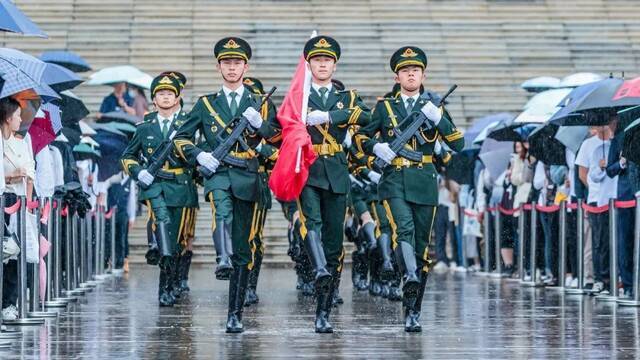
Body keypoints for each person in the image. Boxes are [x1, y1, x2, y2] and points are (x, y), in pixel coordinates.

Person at [172, 37, 280, 333]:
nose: (232, 68)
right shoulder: (206, 103)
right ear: (219, 66)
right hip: (219, 172)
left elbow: (277, 138)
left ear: (246, 66)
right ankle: (221, 256)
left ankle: (235, 313)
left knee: (244, 249)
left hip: (248, 173)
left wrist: (261, 125)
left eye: (237, 63)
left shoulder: (259, 103)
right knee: (221, 209)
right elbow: (181, 138)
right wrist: (199, 154)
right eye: (226, 63)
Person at [356, 46, 464, 332]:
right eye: (405, 70)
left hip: (424, 181)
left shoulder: (434, 106)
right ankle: (411, 276)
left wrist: (438, 118)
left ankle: (412, 310)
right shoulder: (385, 107)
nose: (411, 74)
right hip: (393, 181)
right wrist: (375, 147)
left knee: (419, 249)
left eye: (415, 70)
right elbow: (360, 138)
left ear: (423, 74)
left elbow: (458, 144)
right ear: (397, 76)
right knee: (403, 230)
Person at [295, 35, 371, 333]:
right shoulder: (298, 96)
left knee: (334, 241)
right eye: (317, 60)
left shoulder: (346, 97)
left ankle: (324, 310)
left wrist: (329, 115)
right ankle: (319, 271)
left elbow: (366, 117)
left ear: (334, 65)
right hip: (309, 171)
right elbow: (281, 125)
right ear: (309, 64)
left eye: (327, 60)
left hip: (337, 172)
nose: (322, 64)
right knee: (311, 224)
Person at [121, 74, 199, 306]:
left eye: (169, 94)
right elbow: (128, 156)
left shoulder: (187, 123)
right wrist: (138, 172)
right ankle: (163, 289)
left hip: (181, 187)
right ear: (153, 99)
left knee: (176, 242)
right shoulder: (145, 127)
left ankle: (174, 281)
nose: (165, 97)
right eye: (160, 94)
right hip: (155, 187)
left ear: (177, 98)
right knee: (162, 230)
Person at [1, 97, 35, 320]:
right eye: (17, 116)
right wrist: (11, 176)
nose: (20, 120)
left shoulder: (22, 142)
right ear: (7, 117)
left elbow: (30, 173)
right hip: (3, 196)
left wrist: (29, 206)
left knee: (14, 253)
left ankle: (9, 303)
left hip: (18, 200)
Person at [575, 124, 612, 294]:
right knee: (599, 241)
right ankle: (600, 278)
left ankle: (613, 276)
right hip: (596, 199)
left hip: (614, 198)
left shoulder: (615, 142)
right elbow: (582, 173)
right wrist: (595, 188)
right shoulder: (588, 145)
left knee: (612, 239)